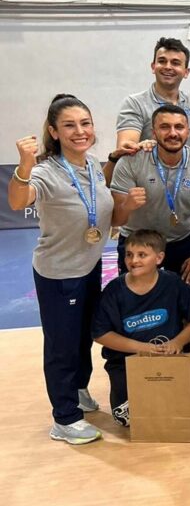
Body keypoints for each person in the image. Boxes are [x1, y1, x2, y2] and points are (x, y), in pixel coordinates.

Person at [9, 94, 113, 444]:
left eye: (85, 123)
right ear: (53, 132)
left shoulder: (92, 164)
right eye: (69, 125)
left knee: (83, 336)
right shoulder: (45, 171)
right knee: (62, 345)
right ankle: (65, 418)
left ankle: (78, 390)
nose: (79, 131)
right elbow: (18, 200)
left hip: (88, 266)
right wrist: (24, 166)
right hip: (59, 274)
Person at [109, 104, 190, 395]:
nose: (172, 133)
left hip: (184, 243)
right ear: (153, 131)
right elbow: (115, 219)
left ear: (188, 131)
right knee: (136, 310)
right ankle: (138, 377)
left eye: (179, 127)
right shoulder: (132, 163)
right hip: (137, 246)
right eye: (165, 127)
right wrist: (127, 204)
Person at [92, 230, 190, 427]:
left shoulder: (173, 283)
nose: (134, 261)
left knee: (178, 412)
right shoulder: (114, 291)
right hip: (126, 363)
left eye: (142, 255)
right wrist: (143, 348)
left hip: (169, 360)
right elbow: (100, 334)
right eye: (129, 254)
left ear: (159, 258)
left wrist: (179, 341)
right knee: (127, 419)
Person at [116, 37, 190, 151]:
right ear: (153, 67)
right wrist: (143, 147)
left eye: (175, 63)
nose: (168, 67)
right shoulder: (135, 104)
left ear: (186, 72)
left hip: (187, 163)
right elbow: (126, 148)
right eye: (162, 61)